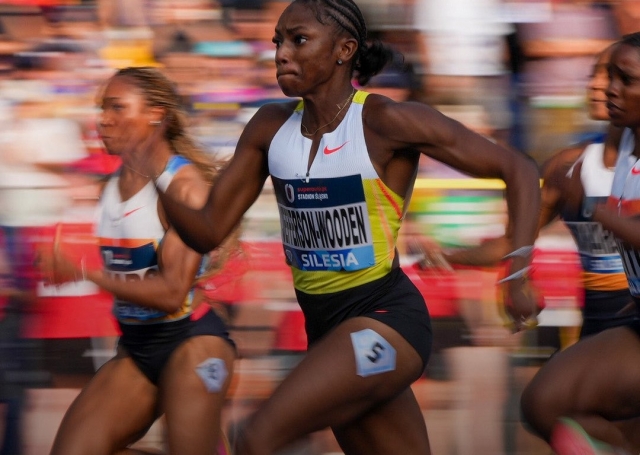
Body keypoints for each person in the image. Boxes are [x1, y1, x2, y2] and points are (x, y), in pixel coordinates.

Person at [136, 0, 541, 453]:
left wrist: (518, 271)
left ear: (344, 50)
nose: (281, 53)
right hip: (326, 330)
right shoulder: (269, 127)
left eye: (298, 40)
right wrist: (155, 168)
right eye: (278, 42)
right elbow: (208, 231)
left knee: (256, 437)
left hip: (385, 322)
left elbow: (519, 169)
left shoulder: (386, 122)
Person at [40, 67, 236, 455]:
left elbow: (171, 293)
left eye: (117, 107)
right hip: (136, 348)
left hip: (191, 342)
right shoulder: (112, 186)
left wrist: (83, 271)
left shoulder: (182, 187)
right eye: (102, 108)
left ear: (155, 115)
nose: (103, 119)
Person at [415, 42, 635, 340]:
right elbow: (514, 241)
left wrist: (589, 207)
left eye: (611, 75)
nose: (596, 85)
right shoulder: (566, 167)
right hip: (596, 326)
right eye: (593, 74)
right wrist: (448, 257)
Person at [519, 32, 640, 454]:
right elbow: (518, 234)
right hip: (627, 320)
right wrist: (510, 274)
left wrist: (590, 206)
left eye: (624, 78)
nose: (607, 87)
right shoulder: (608, 152)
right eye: (604, 75)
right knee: (544, 405)